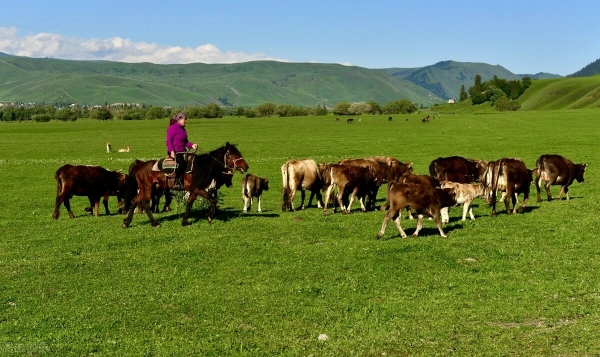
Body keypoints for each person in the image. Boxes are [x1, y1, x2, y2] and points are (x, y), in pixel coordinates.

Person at [166, 112, 198, 189]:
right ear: (179, 119)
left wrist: (192, 145)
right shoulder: (172, 128)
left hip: (183, 152)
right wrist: (172, 151)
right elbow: (169, 141)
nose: (186, 121)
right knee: (182, 165)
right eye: (185, 119)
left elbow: (185, 142)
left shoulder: (183, 130)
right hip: (175, 152)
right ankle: (177, 182)